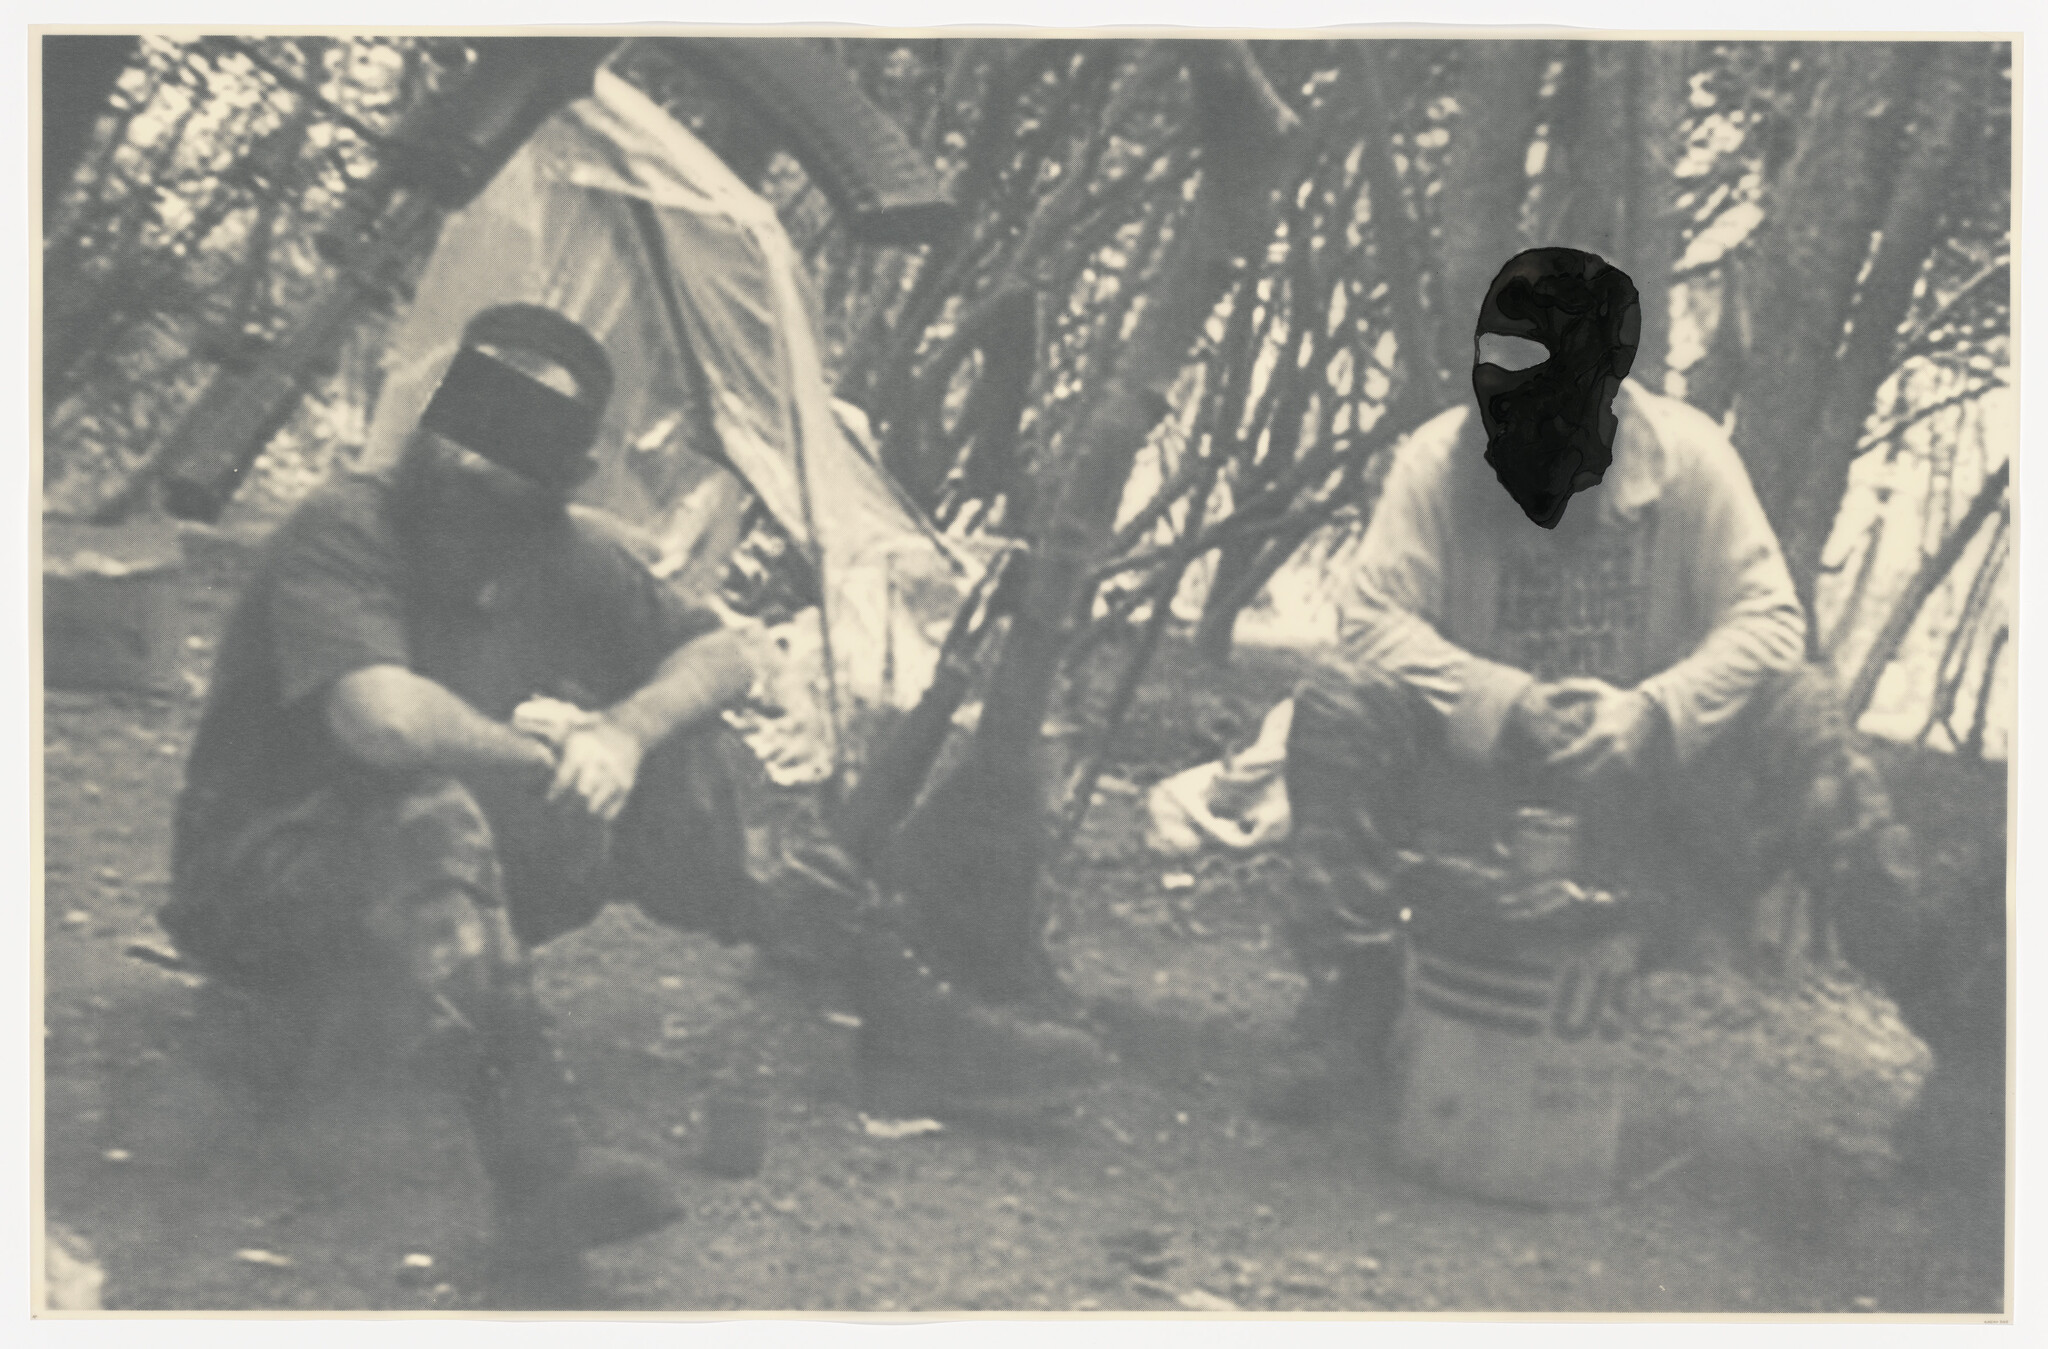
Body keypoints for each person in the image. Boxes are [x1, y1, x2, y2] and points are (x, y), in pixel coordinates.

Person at [162, 303, 1106, 1302]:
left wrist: (623, 732)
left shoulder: (565, 554)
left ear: (561, 473)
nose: (475, 462)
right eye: (467, 424)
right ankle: (535, 1169)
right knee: (430, 805)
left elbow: (722, 653)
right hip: (259, 888)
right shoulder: (345, 527)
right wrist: (544, 751)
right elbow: (383, 723)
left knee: (676, 752)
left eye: (512, 444)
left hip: (447, 901)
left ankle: (901, 1012)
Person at [1260, 250, 1916, 1121]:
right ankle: (1352, 1010)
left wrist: (1652, 714)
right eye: (1502, 399)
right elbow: (1371, 621)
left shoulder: (1691, 459)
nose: (1520, 431)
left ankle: (1956, 1026)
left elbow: (1771, 623)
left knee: (1802, 707)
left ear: (1610, 395)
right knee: (1342, 694)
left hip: (1651, 806)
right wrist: (1503, 701)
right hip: (1479, 804)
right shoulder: (1435, 462)